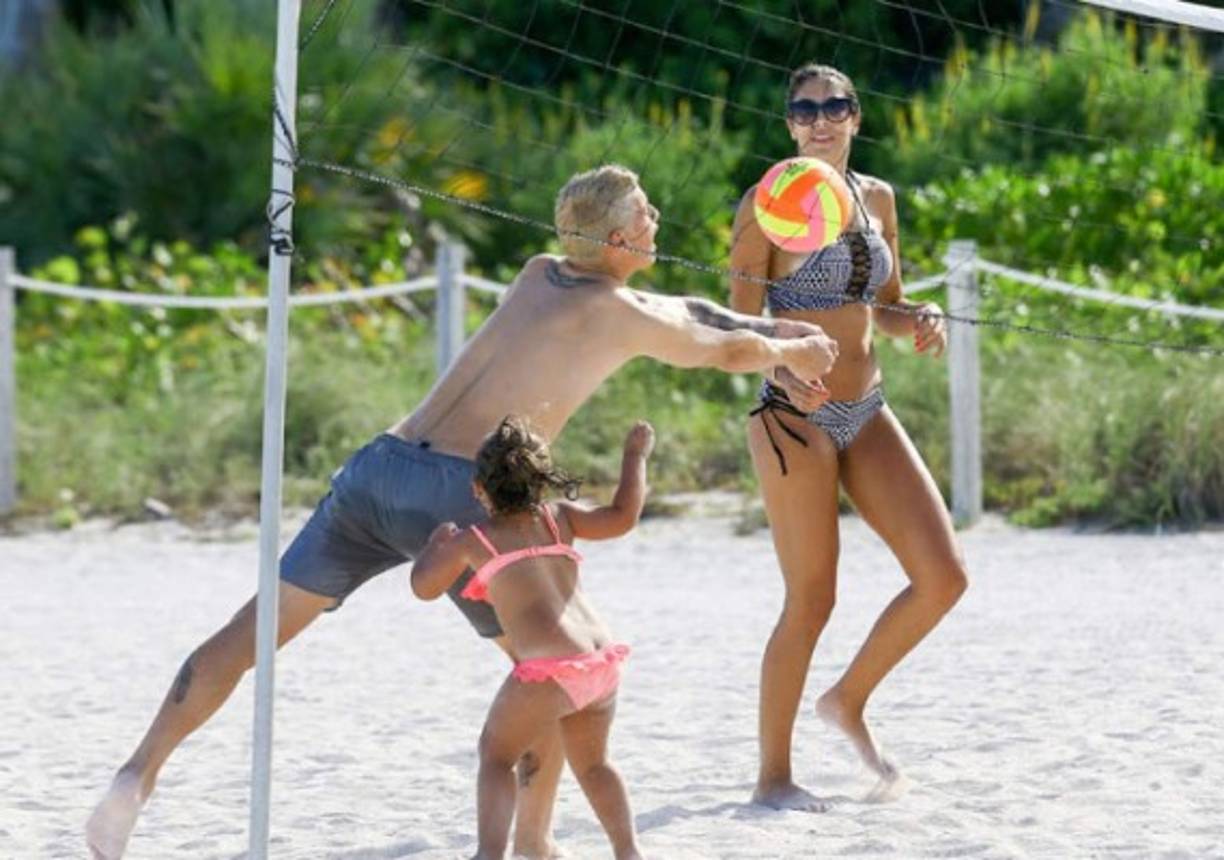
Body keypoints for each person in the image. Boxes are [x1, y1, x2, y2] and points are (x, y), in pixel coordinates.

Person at [86, 163, 839, 859]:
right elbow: (715, 346)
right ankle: (536, 843)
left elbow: (693, 308)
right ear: (616, 239)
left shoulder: (539, 272)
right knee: (551, 666)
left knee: (249, 633)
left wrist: (780, 330)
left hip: (377, 469)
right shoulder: (617, 312)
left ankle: (134, 777)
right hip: (465, 491)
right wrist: (789, 352)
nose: (658, 218)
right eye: (646, 214)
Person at [729, 64, 969, 811]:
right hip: (791, 415)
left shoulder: (877, 198)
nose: (821, 119)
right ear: (790, 124)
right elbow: (737, 330)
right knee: (811, 600)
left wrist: (918, 318)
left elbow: (886, 306)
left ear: (857, 118)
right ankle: (773, 776)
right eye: (805, 110)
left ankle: (847, 700)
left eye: (835, 106)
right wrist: (783, 361)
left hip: (865, 407)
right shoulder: (764, 204)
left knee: (943, 578)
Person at [412, 416, 652, 860]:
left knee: (496, 753)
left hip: (551, 670)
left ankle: (488, 854)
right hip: (601, 662)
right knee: (595, 764)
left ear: (479, 489)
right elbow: (622, 517)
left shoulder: (475, 539)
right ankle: (628, 851)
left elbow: (424, 588)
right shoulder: (558, 518)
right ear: (541, 479)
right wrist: (635, 456)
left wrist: (435, 545)